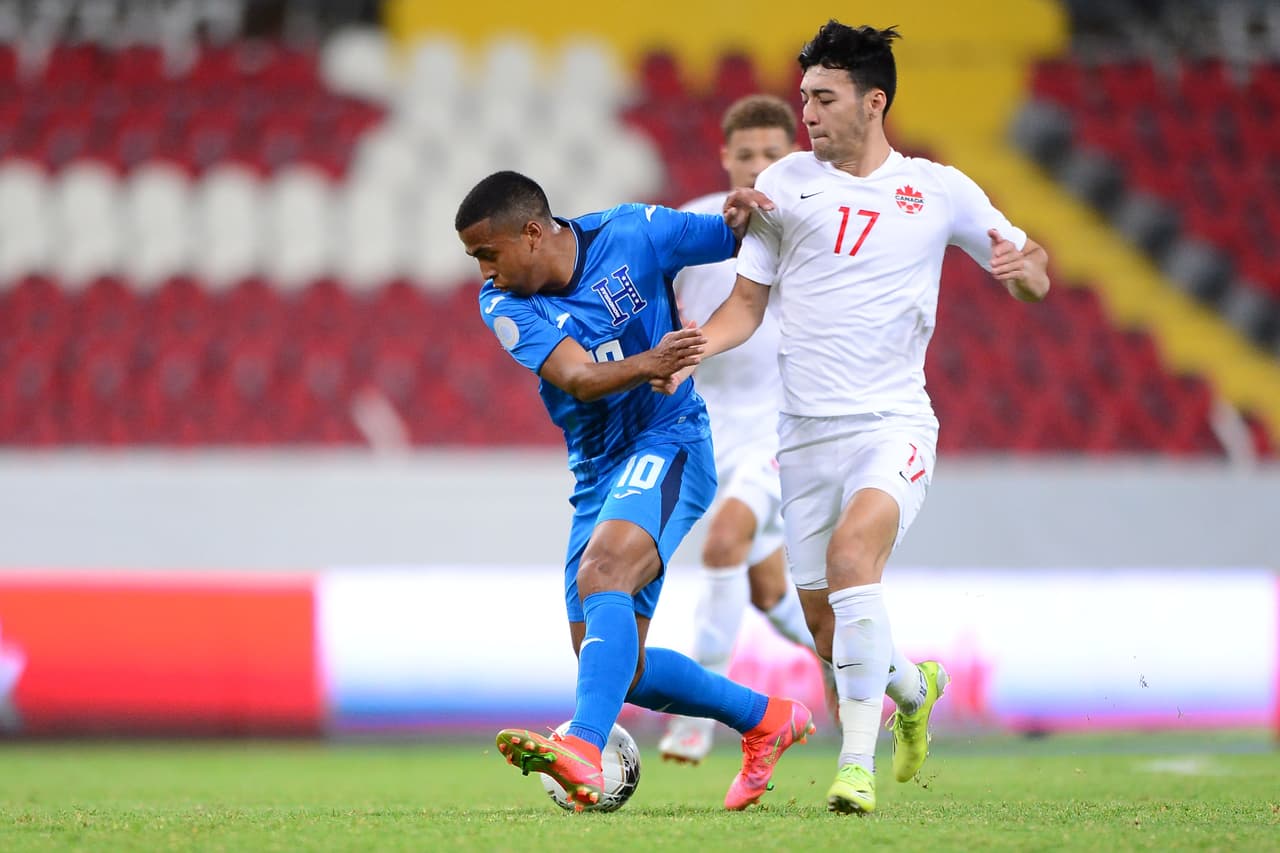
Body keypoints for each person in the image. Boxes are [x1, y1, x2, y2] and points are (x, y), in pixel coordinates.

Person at [661, 22, 1051, 814]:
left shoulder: (939, 189)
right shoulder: (786, 186)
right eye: (804, 96)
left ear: (874, 102)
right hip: (802, 436)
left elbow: (1033, 266)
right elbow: (745, 305)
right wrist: (696, 347)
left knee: (851, 561)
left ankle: (856, 767)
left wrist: (1023, 273)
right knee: (827, 626)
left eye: (823, 98)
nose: (807, 112)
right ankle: (916, 687)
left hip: (894, 424)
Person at [455, 170, 814, 812]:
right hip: (596, 474)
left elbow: (731, 237)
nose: (484, 271)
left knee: (603, 576)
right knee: (620, 662)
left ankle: (584, 751)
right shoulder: (502, 303)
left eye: (488, 253)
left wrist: (736, 214)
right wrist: (653, 362)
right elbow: (579, 378)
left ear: (532, 234)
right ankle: (767, 719)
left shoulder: (634, 231)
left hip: (670, 439)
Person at [659, 94, 829, 765]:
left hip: (781, 428)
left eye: (773, 154)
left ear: (796, 156)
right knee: (765, 590)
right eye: (747, 155)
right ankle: (855, 656)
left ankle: (696, 724)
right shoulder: (693, 225)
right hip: (705, 424)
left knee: (725, 540)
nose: (760, 166)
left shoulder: (813, 230)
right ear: (725, 156)